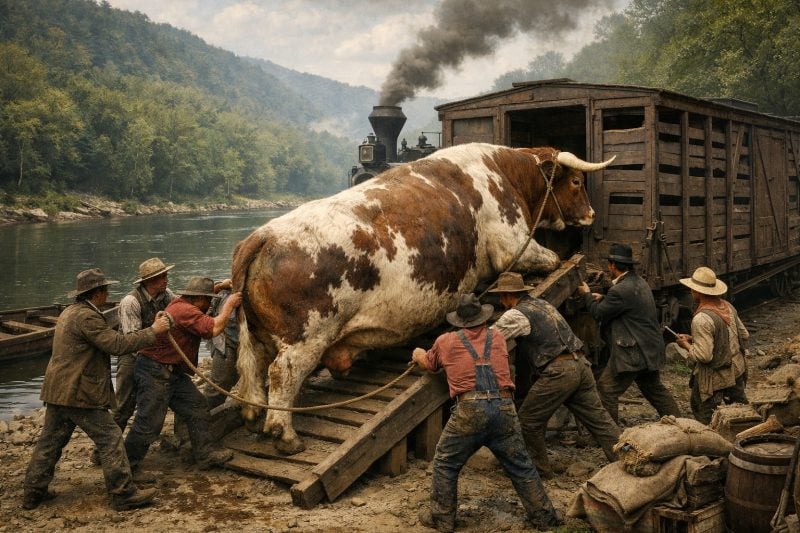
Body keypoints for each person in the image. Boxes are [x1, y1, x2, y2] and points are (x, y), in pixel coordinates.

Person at [22, 268, 171, 511]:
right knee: (111, 438)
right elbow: (116, 344)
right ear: (98, 293)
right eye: (105, 290)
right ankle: (123, 493)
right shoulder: (88, 318)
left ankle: (33, 492)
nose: (107, 294)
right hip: (78, 391)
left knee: (50, 441)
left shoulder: (70, 312)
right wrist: (153, 331)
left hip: (58, 389)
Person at [412, 294, 561, 533]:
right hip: (504, 407)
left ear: (458, 321)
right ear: (482, 318)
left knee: (446, 462)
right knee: (521, 464)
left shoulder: (445, 341)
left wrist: (418, 354)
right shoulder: (498, 337)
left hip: (470, 409)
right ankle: (544, 517)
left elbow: (429, 364)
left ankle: (442, 518)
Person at [491, 272, 621, 478]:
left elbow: (490, 339)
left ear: (507, 295)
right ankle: (628, 461)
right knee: (600, 420)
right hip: (581, 365)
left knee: (528, 421)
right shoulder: (542, 305)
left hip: (559, 371)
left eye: (501, 296)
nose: (500, 301)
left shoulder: (515, 315)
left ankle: (540, 472)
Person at [124, 276, 241, 474]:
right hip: (156, 372)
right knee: (149, 424)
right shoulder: (186, 310)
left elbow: (202, 299)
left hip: (172, 372)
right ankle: (126, 468)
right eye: (209, 300)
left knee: (197, 407)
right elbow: (214, 328)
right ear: (200, 299)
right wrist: (228, 304)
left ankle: (205, 454)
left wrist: (219, 286)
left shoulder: (180, 302)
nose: (210, 305)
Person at [577, 243, 680, 423]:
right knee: (654, 389)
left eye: (609, 265)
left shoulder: (620, 290)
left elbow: (598, 313)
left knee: (606, 389)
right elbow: (625, 303)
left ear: (612, 266)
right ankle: (680, 423)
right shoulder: (639, 282)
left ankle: (610, 436)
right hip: (649, 348)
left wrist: (586, 294)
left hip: (634, 351)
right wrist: (605, 298)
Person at [674, 267, 749, 424]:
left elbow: (704, 356)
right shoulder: (728, 306)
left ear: (698, 292)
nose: (691, 291)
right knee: (742, 414)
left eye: (693, 288)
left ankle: (712, 443)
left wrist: (686, 345)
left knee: (702, 411)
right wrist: (695, 338)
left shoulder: (701, 318)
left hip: (715, 376)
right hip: (737, 369)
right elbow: (744, 335)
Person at [114, 257, 176, 432]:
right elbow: (131, 341)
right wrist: (155, 330)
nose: (166, 280)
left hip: (153, 356)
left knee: (150, 401)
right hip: (131, 359)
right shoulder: (130, 302)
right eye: (162, 277)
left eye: (166, 275)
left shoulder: (167, 295)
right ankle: (105, 450)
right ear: (149, 281)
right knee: (123, 406)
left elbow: (181, 309)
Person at [202, 279, 239, 409]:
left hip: (237, 342)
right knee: (219, 383)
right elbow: (214, 326)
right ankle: (203, 415)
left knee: (230, 379)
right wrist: (221, 287)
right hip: (225, 342)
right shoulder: (225, 293)